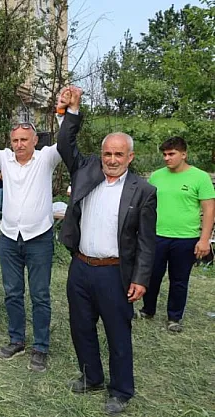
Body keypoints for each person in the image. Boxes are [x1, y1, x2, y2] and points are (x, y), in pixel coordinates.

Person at [56, 86, 156, 415]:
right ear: (101, 155)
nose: (112, 160)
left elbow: (146, 241)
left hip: (115, 273)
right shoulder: (86, 170)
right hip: (81, 268)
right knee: (81, 327)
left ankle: (121, 390)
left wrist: (141, 279)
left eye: (119, 155)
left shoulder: (143, 190)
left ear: (130, 157)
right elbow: (64, 144)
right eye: (108, 154)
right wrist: (72, 110)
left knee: (117, 333)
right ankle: (92, 377)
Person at [0, 90, 61, 372]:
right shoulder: (5, 159)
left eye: (24, 140)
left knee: (40, 295)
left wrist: (64, 112)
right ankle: (16, 339)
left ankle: (40, 347)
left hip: (39, 238)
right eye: (15, 140)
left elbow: (66, 140)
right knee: (12, 293)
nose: (19, 145)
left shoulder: (46, 159)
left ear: (35, 141)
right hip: (9, 238)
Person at [139, 136, 215, 332]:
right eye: (164, 154)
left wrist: (204, 239)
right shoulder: (156, 176)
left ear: (184, 154)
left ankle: (174, 317)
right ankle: (148, 310)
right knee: (151, 276)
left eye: (171, 154)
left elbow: (209, 210)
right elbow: (147, 206)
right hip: (157, 236)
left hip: (186, 238)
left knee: (179, 280)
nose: (167, 158)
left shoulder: (200, 177)